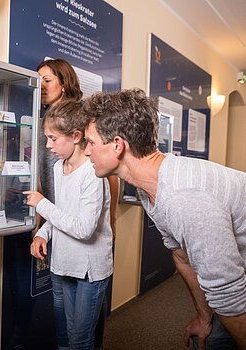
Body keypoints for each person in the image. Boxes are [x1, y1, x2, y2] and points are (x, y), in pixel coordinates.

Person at [80, 88, 246, 349]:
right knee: (214, 337)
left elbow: (230, 298)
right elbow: (182, 256)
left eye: (90, 142)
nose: (86, 151)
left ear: (117, 144)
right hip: (233, 282)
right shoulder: (151, 188)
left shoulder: (185, 199)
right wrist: (204, 317)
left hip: (236, 287)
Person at [37, 58, 118, 349]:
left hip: (87, 265)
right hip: (62, 262)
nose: (48, 146)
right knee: (65, 337)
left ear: (75, 136)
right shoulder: (60, 167)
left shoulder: (93, 172)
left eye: (52, 139)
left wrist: (41, 205)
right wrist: (41, 232)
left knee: (81, 339)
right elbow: (65, 208)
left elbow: (84, 227)